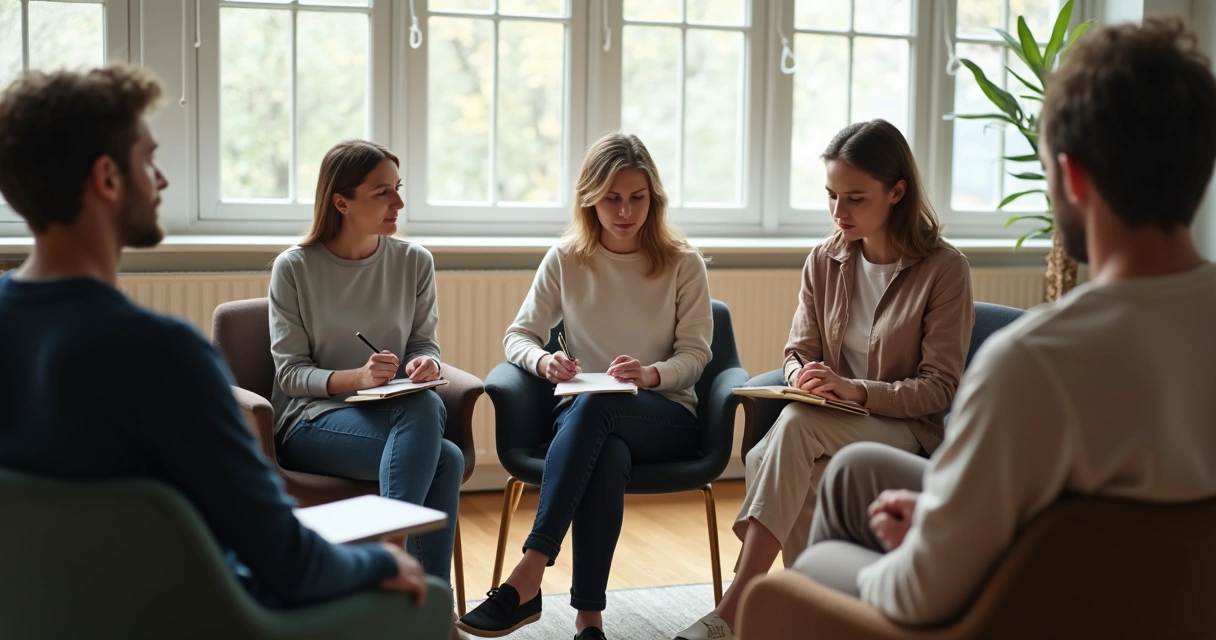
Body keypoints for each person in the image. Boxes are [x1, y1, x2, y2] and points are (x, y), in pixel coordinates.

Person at [793, 17, 1216, 626]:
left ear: (1071, 176)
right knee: (854, 474)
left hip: (1028, 613)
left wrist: (920, 547)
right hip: (1160, 602)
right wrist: (945, 517)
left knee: (811, 572)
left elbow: (917, 592)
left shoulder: (1034, 362)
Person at [0, 66, 426, 608]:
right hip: (190, 613)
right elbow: (285, 560)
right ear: (107, 178)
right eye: (149, 161)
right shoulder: (164, 354)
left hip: (44, 612)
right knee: (413, 594)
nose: (162, 181)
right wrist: (383, 560)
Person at [676, 120, 973, 640]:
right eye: (832, 196)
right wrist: (803, 375)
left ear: (897, 192)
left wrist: (856, 390)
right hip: (831, 416)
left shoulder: (944, 269)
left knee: (789, 434)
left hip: (904, 424)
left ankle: (737, 605)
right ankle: (815, 613)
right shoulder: (824, 259)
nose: (839, 212)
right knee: (785, 460)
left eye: (855, 198)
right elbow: (798, 350)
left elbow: (939, 388)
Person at [457, 132, 713, 640]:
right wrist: (544, 360)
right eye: (612, 198)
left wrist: (649, 374)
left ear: (654, 198)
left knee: (601, 408)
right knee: (607, 451)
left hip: (664, 415)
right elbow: (518, 336)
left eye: (637, 197)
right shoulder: (566, 258)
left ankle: (528, 574)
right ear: (590, 198)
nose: (625, 211)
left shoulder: (683, 263)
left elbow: (697, 355)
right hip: (587, 420)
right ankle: (589, 620)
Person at [270, 139, 462, 588]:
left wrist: (425, 365)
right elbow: (290, 374)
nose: (399, 203)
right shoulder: (294, 268)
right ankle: (406, 580)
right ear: (342, 202)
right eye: (382, 193)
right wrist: (357, 377)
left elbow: (423, 344)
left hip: (389, 414)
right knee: (443, 453)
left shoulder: (414, 261)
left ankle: (416, 595)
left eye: (397, 188)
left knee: (442, 444)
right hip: (310, 422)